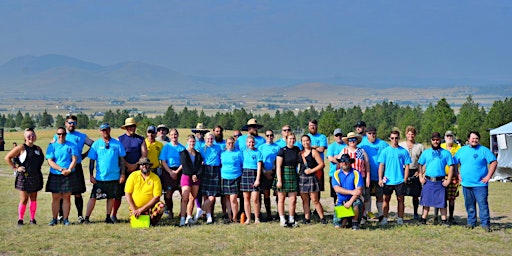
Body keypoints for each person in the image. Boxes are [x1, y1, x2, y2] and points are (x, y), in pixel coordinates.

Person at [453, 131, 497, 232]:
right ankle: (471, 222)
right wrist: (457, 173)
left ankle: (485, 224)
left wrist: (488, 176)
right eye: (472, 138)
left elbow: (494, 162)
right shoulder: (462, 150)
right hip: (466, 183)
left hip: (480, 184)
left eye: (476, 138)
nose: (474, 140)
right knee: (469, 204)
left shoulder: (484, 150)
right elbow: (454, 162)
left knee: (483, 204)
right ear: (468, 140)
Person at [54, 115, 94, 224]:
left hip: (76, 167)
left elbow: (93, 144)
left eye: (74, 123)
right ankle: (61, 215)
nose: (72, 125)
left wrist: (84, 155)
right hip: (62, 168)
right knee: (62, 193)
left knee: (77, 193)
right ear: (66, 123)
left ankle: (80, 216)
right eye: (70, 122)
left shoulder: (81, 136)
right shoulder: (59, 135)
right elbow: (52, 147)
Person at [84, 123, 126, 224]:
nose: (105, 132)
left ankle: (108, 217)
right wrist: (91, 175)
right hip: (100, 178)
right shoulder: (96, 144)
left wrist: (122, 174)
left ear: (110, 130)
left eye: (106, 130)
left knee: (111, 197)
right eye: (103, 130)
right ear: (100, 131)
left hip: (114, 176)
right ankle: (86, 218)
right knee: (93, 197)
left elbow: (122, 160)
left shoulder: (117, 144)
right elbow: (92, 161)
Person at [5, 128, 44, 226]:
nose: (31, 137)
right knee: (24, 199)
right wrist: (15, 168)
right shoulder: (21, 148)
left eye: (33, 135)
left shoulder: (38, 148)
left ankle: (32, 219)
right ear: (25, 137)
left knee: (34, 198)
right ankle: (20, 219)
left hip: (35, 176)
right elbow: (7, 158)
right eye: (29, 136)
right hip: (24, 177)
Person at [114, 117, 148, 222]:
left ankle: (138, 213)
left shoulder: (141, 139)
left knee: (138, 194)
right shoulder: (119, 139)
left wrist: (135, 165)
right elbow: (119, 155)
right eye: (130, 127)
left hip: (138, 170)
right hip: (123, 171)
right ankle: (113, 215)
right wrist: (128, 165)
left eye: (133, 126)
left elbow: (144, 154)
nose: (132, 128)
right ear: (126, 128)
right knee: (118, 194)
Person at [418, 132, 455, 226]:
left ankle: (444, 221)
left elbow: (451, 166)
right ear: (431, 140)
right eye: (433, 140)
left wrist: (448, 180)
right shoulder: (426, 152)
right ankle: (423, 219)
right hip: (429, 180)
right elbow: (420, 164)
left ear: (440, 140)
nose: (435, 141)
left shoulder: (446, 153)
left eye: (437, 140)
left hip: (440, 181)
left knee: (442, 202)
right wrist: (421, 177)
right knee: (426, 202)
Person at [46, 127, 79, 226]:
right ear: (56, 135)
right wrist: (61, 169)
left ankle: (65, 219)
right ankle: (54, 219)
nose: (61, 136)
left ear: (66, 135)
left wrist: (69, 170)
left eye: (63, 134)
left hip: (68, 174)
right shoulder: (52, 146)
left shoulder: (72, 145)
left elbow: (74, 159)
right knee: (55, 198)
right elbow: (50, 161)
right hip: (56, 174)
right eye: (59, 134)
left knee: (66, 197)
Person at [378, 130, 411, 226]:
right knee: (386, 199)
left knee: (400, 199)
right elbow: (381, 165)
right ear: (390, 138)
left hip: (399, 180)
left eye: (396, 138)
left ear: (399, 138)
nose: (394, 140)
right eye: (392, 138)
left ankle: (400, 218)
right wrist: (380, 178)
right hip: (388, 180)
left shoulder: (403, 151)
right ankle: (384, 218)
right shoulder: (385, 151)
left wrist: (405, 178)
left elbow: (407, 166)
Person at [359, 126, 388, 221]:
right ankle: (365, 214)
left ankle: (380, 215)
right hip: (366, 176)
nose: (372, 135)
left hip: (379, 176)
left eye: (374, 133)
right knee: (366, 197)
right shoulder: (362, 144)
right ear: (366, 134)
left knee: (379, 196)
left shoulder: (383, 144)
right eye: (370, 133)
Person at [340, 132, 370, 224]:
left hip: (360, 179)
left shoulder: (362, 151)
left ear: (357, 141)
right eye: (350, 140)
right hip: (347, 179)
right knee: (346, 198)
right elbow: (339, 164)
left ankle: (362, 217)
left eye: (354, 139)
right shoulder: (344, 151)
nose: (352, 141)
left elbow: (367, 164)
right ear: (347, 142)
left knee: (361, 198)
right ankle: (347, 217)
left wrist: (368, 177)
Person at [125, 157, 165, 226]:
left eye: (146, 164)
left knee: (161, 206)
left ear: (150, 166)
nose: (144, 166)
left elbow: (156, 197)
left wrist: (142, 209)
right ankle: (136, 217)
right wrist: (134, 209)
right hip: (135, 207)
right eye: (142, 164)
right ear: (139, 166)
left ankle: (152, 222)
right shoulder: (133, 176)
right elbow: (127, 193)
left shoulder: (155, 178)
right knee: (135, 217)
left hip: (150, 207)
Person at [299, 134, 327, 224]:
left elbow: (322, 164)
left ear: (310, 141)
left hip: (311, 177)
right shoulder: (300, 153)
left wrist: (312, 171)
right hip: (302, 177)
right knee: (305, 200)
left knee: (315, 199)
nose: (305, 142)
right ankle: (307, 219)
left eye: (307, 140)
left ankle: (322, 218)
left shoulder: (314, 152)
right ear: (301, 143)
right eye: (303, 141)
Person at [159, 128, 186, 220]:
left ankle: (183, 212)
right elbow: (163, 161)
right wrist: (170, 172)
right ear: (169, 136)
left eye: (175, 134)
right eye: (172, 135)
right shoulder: (166, 147)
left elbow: (184, 162)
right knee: (168, 193)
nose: (174, 136)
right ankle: (170, 211)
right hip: (168, 171)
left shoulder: (182, 148)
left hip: (180, 170)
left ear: (178, 135)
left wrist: (177, 171)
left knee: (183, 193)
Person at [275, 132, 301, 227]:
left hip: (293, 174)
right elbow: (278, 166)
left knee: (293, 199)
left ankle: (291, 218)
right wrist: (279, 180)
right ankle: (282, 219)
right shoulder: (282, 150)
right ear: (286, 140)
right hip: (283, 174)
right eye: (290, 139)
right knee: (281, 198)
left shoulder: (297, 149)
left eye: (293, 139)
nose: (292, 140)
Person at [399, 126, 425, 220]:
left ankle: (415, 212)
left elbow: (424, 161)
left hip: (415, 171)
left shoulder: (420, 147)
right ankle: (401, 213)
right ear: (406, 135)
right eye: (409, 134)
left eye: (412, 134)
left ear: (415, 135)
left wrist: (420, 171)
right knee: (401, 194)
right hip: (402, 171)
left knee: (415, 195)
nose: (411, 136)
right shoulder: (401, 145)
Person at [196, 132, 222, 224]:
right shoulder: (201, 148)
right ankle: (208, 216)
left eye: (211, 139)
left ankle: (201, 210)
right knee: (205, 195)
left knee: (212, 197)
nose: (210, 140)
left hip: (215, 171)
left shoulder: (218, 148)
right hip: (206, 170)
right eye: (208, 139)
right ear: (205, 139)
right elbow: (198, 159)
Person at [332, 154, 363, 230]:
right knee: (338, 226)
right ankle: (345, 220)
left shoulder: (356, 173)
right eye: (342, 161)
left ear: (350, 162)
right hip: (340, 201)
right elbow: (337, 189)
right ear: (340, 163)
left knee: (357, 203)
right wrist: (352, 192)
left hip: (353, 200)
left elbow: (359, 191)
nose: (344, 163)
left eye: (346, 161)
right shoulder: (336, 174)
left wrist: (350, 202)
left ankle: (355, 223)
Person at [179, 135, 204, 226]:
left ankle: (189, 216)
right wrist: (192, 174)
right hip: (186, 176)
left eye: (193, 142)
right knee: (185, 198)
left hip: (196, 178)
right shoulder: (183, 153)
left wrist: (196, 175)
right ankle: (182, 218)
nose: (192, 143)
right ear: (187, 142)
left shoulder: (198, 154)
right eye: (190, 142)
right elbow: (185, 166)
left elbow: (199, 166)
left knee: (192, 198)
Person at [439, 130, 461, 224]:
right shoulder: (441, 146)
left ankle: (451, 217)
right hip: (441, 175)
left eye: (451, 136)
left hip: (453, 176)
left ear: (453, 137)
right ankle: (438, 216)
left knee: (451, 198)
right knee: (440, 196)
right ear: (444, 138)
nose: (449, 137)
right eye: (447, 136)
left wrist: (458, 174)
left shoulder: (458, 148)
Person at [258, 129, 281, 221]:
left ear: (273, 136)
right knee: (266, 194)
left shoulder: (277, 147)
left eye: (271, 135)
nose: (269, 137)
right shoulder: (261, 147)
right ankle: (268, 214)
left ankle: (279, 213)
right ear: (265, 136)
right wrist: (264, 172)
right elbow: (259, 161)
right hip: (264, 173)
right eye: (267, 135)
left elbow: (278, 161)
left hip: (274, 172)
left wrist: (272, 171)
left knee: (277, 194)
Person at [220, 136, 243, 223]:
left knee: (233, 198)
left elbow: (242, 164)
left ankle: (235, 217)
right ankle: (229, 216)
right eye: (228, 143)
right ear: (226, 144)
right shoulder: (222, 153)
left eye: (232, 143)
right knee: (227, 198)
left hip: (235, 177)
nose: (230, 145)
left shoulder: (238, 153)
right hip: (225, 177)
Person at [240, 135, 263, 224]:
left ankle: (257, 218)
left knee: (255, 199)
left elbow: (259, 166)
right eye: (249, 142)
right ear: (246, 143)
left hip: (254, 174)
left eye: (252, 142)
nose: (251, 144)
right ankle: (248, 218)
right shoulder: (243, 152)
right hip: (245, 173)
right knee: (246, 198)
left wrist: (257, 179)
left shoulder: (258, 152)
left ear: (255, 143)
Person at [306, 119, 327, 194]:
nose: (312, 127)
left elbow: (321, 149)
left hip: (318, 166)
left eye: (314, 125)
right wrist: (315, 147)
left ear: (316, 126)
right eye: (311, 125)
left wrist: (311, 147)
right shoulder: (306, 137)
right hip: (308, 166)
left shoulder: (322, 137)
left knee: (317, 190)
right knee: (307, 191)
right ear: (308, 127)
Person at [327, 128, 346, 205]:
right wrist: (341, 160)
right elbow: (330, 158)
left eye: (340, 135)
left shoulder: (346, 145)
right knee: (335, 195)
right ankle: (337, 212)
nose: (339, 137)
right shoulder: (331, 146)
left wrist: (337, 157)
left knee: (345, 193)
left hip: (345, 174)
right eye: (337, 135)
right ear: (334, 137)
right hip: (334, 173)